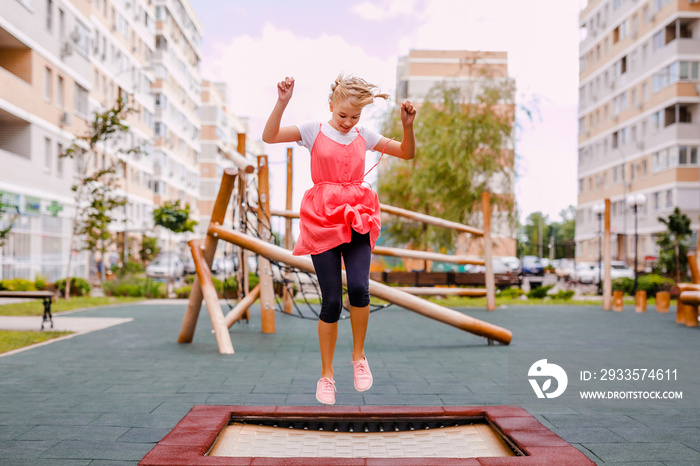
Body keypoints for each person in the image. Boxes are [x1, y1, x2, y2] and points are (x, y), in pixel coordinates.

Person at [263, 74, 416, 405]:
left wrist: (407, 125)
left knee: (360, 288)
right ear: (331, 106)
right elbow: (270, 135)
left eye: (355, 117)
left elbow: (406, 152)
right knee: (331, 301)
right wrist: (283, 101)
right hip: (323, 220)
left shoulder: (364, 134)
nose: (348, 123)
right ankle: (327, 374)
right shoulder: (312, 131)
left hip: (358, 216)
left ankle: (358, 357)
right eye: (343, 115)